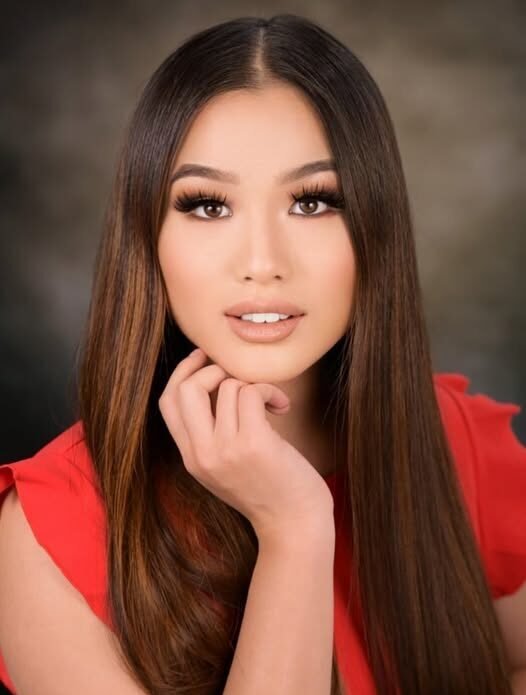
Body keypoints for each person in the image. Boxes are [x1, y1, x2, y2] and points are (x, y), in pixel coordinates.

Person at [0, 13, 525, 695]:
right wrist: (294, 528)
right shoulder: (48, 532)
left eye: (312, 202)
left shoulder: (456, 444)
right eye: (207, 206)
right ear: (147, 237)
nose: (262, 261)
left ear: (375, 225)